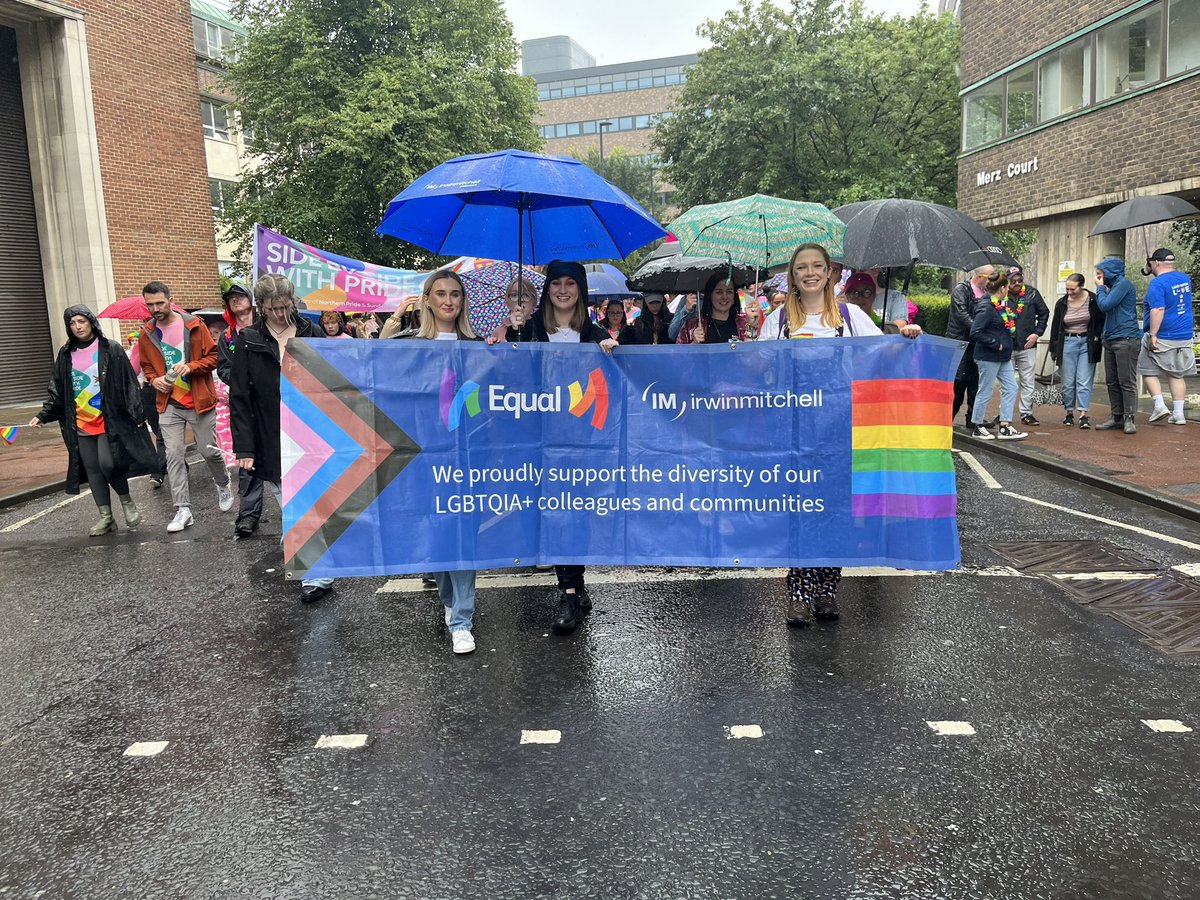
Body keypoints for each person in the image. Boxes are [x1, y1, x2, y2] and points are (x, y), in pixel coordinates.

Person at [760, 243, 918, 628]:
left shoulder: (850, 317)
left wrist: (905, 336)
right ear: (793, 276)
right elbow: (758, 371)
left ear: (830, 272)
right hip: (795, 433)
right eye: (802, 268)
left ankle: (828, 589)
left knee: (834, 510)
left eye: (817, 266)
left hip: (840, 431)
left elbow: (882, 354)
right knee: (801, 512)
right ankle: (798, 595)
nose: (810, 273)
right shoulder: (777, 322)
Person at [511, 260, 617, 634]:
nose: (563, 289)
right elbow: (509, 375)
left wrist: (611, 352)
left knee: (578, 512)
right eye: (556, 282)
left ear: (581, 290)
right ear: (547, 289)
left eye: (571, 283)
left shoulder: (594, 332)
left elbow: (611, 384)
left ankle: (577, 583)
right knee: (556, 511)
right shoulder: (532, 329)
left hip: (583, 439)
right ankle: (569, 592)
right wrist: (514, 333)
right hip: (541, 438)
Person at [387, 269, 482, 653]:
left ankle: (463, 619)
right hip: (423, 452)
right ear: (426, 299)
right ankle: (449, 601)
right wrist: (394, 320)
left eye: (455, 294)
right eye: (440, 293)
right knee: (437, 530)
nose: (448, 300)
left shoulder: (475, 344)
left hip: (467, 451)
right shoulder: (410, 343)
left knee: (461, 531)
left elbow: (482, 400)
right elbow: (375, 367)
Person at [229, 273, 337, 605]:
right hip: (270, 435)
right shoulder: (247, 340)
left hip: (312, 432)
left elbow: (331, 380)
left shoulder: (311, 332)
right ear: (260, 306)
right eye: (273, 308)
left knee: (312, 502)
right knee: (291, 505)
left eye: (285, 306)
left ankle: (318, 571)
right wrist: (245, 447)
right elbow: (239, 397)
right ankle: (315, 572)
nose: (280, 314)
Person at [30, 306, 155, 536]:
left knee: (108, 463)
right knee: (93, 469)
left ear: (91, 322)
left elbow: (129, 383)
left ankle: (127, 502)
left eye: (81, 321)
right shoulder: (66, 354)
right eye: (72, 323)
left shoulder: (111, 349)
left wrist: (137, 413)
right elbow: (58, 389)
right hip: (79, 423)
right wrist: (43, 414)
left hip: (109, 420)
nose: (77, 326)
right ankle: (106, 517)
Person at [137, 281, 233, 532]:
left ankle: (223, 483)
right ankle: (183, 510)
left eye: (160, 302)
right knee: (174, 454)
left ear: (170, 300)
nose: (155, 308)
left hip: (199, 399)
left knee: (209, 450)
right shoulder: (146, 332)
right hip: (169, 403)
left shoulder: (193, 324)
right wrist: (154, 380)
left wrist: (191, 367)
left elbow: (213, 357)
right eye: (150, 304)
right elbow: (147, 366)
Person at [216, 282, 267, 537]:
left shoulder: (266, 328)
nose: (235, 300)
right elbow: (223, 368)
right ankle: (248, 515)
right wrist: (240, 379)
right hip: (244, 405)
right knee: (247, 459)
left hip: (270, 403)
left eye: (240, 296)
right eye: (231, 298)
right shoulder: (226, 337)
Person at [969, 271, 1028, 441]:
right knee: (985, 390)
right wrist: (996, 344)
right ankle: (978, 426)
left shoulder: (1000, 305)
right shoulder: (986, 307)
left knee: (1011, 387)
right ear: (1002, 288)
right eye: (1007, 287)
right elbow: (975, 332)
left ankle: (1005, 426)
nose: (1009, 290)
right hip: (988, 356)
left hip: (1002, 356)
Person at [1139, 248, 1194, 426]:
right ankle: (1178, 414)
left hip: (1163, 333)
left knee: (1146, 369)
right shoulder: (1184, 279)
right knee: (1176, 374)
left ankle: (1159, 405)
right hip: (1184, 333)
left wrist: (1153, 335)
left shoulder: (1157, 284)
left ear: (1155, 263)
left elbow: (1158, 309)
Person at [1048, 273, 1104, 428]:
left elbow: (1100, 321)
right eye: (1067, 289)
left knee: (1084, 380)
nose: (1069, 292)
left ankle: (1084, 414)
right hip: (1067, 342)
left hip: (1087, 342)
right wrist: (1053, 348)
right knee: (1068, 381)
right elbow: (1055, 326)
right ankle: (1069, 412)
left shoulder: (1093, 300)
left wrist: (1099, 338)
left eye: (1072, 289)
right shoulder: (1062, 303)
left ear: (1081, 286)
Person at [1093, 257, 1142, 434]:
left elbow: (1105, 305)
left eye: (1100, 274)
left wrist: (1099, 288)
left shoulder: (1123, 284)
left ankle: (1129, 418)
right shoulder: (1113, 287)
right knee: (1112, 381)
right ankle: (1116, 416)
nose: (1098, 277)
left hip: (1126, 338)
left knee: (1126, 381)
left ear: (1110, 271)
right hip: (1112, 338)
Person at [947, 265, 995, 427]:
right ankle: (947, 419)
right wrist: (978, 329)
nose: (991, 281)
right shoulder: (961, 290)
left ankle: (974, 419)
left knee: (976, 381)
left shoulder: (987, 294)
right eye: (990, 277)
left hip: (977, 343)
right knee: (958, 381)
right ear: (980, 276)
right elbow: (961, 313)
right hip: (959, 341)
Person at [1006, 267, 1050, 427]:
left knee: (1028, 381)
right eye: (1013, 281)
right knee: (1008, 381)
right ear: (1006, 281)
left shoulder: (1032, 293)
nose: (1017, 283)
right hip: (1007, 345)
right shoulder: (1001, 295)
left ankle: (1027, 413)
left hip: (1027, 345)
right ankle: (1005, 414)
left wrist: (1037, 333)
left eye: (1020, 280)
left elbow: (1044, 313)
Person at [676, 274, 747, 344]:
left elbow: (752, 352)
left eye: (729, 292)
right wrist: (694, 343)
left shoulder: (745, 322)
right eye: (719, 292)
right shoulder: (691, 326)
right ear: (710, 295)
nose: (724, 297)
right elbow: (679, 354)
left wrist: (752, 327)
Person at [491, 277, 538, 342]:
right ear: (507, 302)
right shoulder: (499, 331)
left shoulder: (541, 328)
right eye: (514, 295)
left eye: (526, 295)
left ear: (534, 302)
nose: (520, 300)